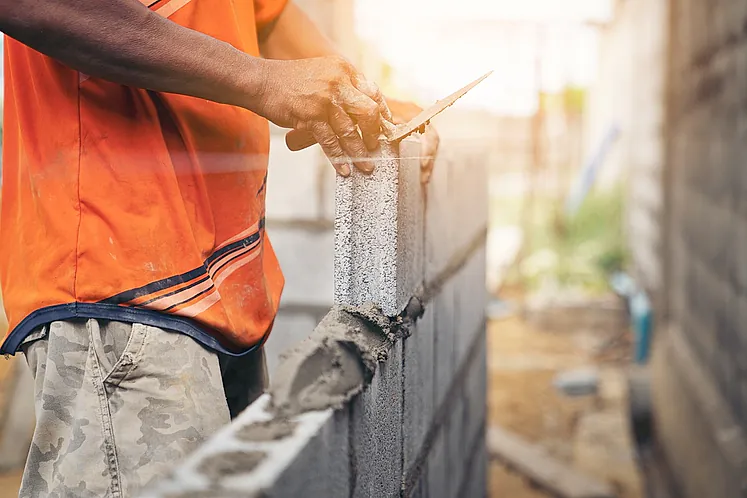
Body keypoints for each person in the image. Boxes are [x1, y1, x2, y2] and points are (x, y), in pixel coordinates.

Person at [0, 0, 439, 495]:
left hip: (220, 279)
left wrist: (359, 97)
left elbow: (264, 14)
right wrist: (261, 80)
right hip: (121, 283)